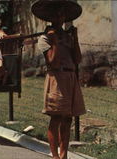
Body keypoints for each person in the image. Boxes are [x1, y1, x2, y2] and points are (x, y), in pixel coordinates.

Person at [32, 1, 86, 159]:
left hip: (70, 77)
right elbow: (53, 62)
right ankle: (55, 155)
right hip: (57, 77)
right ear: (50, 17)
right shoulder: (45, 38)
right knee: (56, 117)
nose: (59, 17)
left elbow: (77, 59)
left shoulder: (68, 37)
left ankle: (64, 155)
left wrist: (74, 38)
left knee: (68, 119)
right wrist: (54, 41)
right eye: (56, 14)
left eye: (62, 14)